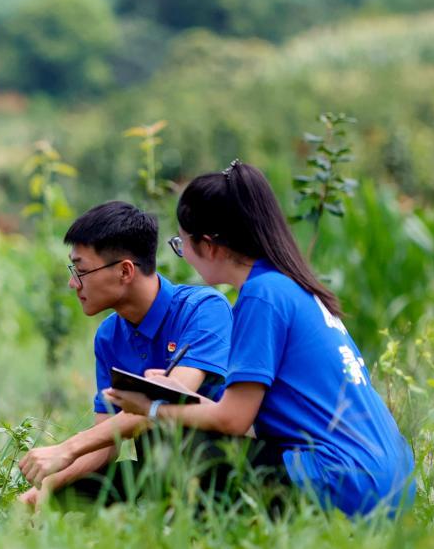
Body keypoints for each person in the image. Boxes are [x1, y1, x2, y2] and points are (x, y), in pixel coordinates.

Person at [104, 161, 415, 517]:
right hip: (389, 483)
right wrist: (178, 397)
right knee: (190, 421)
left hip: (341, 481)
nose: (183, 254)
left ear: (209, 246)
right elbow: (245, 414)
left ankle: (191, 547)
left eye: (181, 243)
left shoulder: (260, 296)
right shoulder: (291, 288)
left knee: (177, 441)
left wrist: (153, 408)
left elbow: (235, 421)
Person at [18, 201, 233, 507]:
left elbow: (171, 397)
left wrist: (67, 448)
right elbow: (105, 444)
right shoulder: (109, 336)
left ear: (124, 271)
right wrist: (48, 486)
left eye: (80, 271)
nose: (72, 283)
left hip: (215, 465)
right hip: (156, 472)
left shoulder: (204, 309)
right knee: (65, 495)